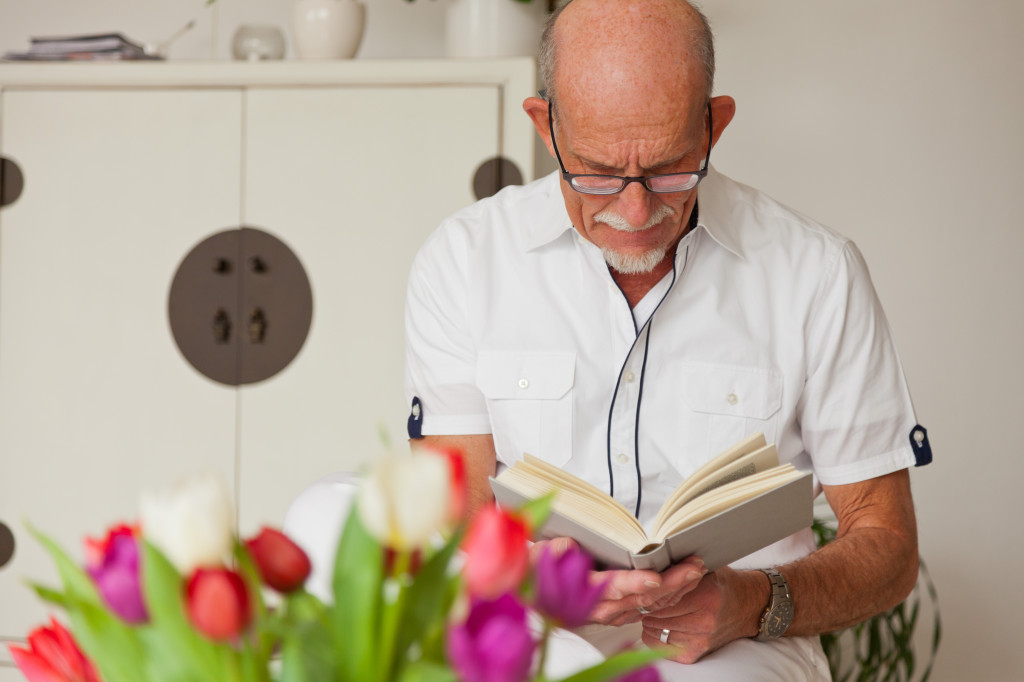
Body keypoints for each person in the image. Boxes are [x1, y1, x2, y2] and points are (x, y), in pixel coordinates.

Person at [403, 0, 932, 678]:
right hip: (533, 631)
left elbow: (886, 546)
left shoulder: (816, 273)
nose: (634, 211)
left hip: (740, 645)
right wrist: (547, 582)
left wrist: (753, 601)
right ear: (545, 126)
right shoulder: (462, 261)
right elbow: (455, 518)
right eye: (594, 172)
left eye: (670, 169)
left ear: (715, 125)